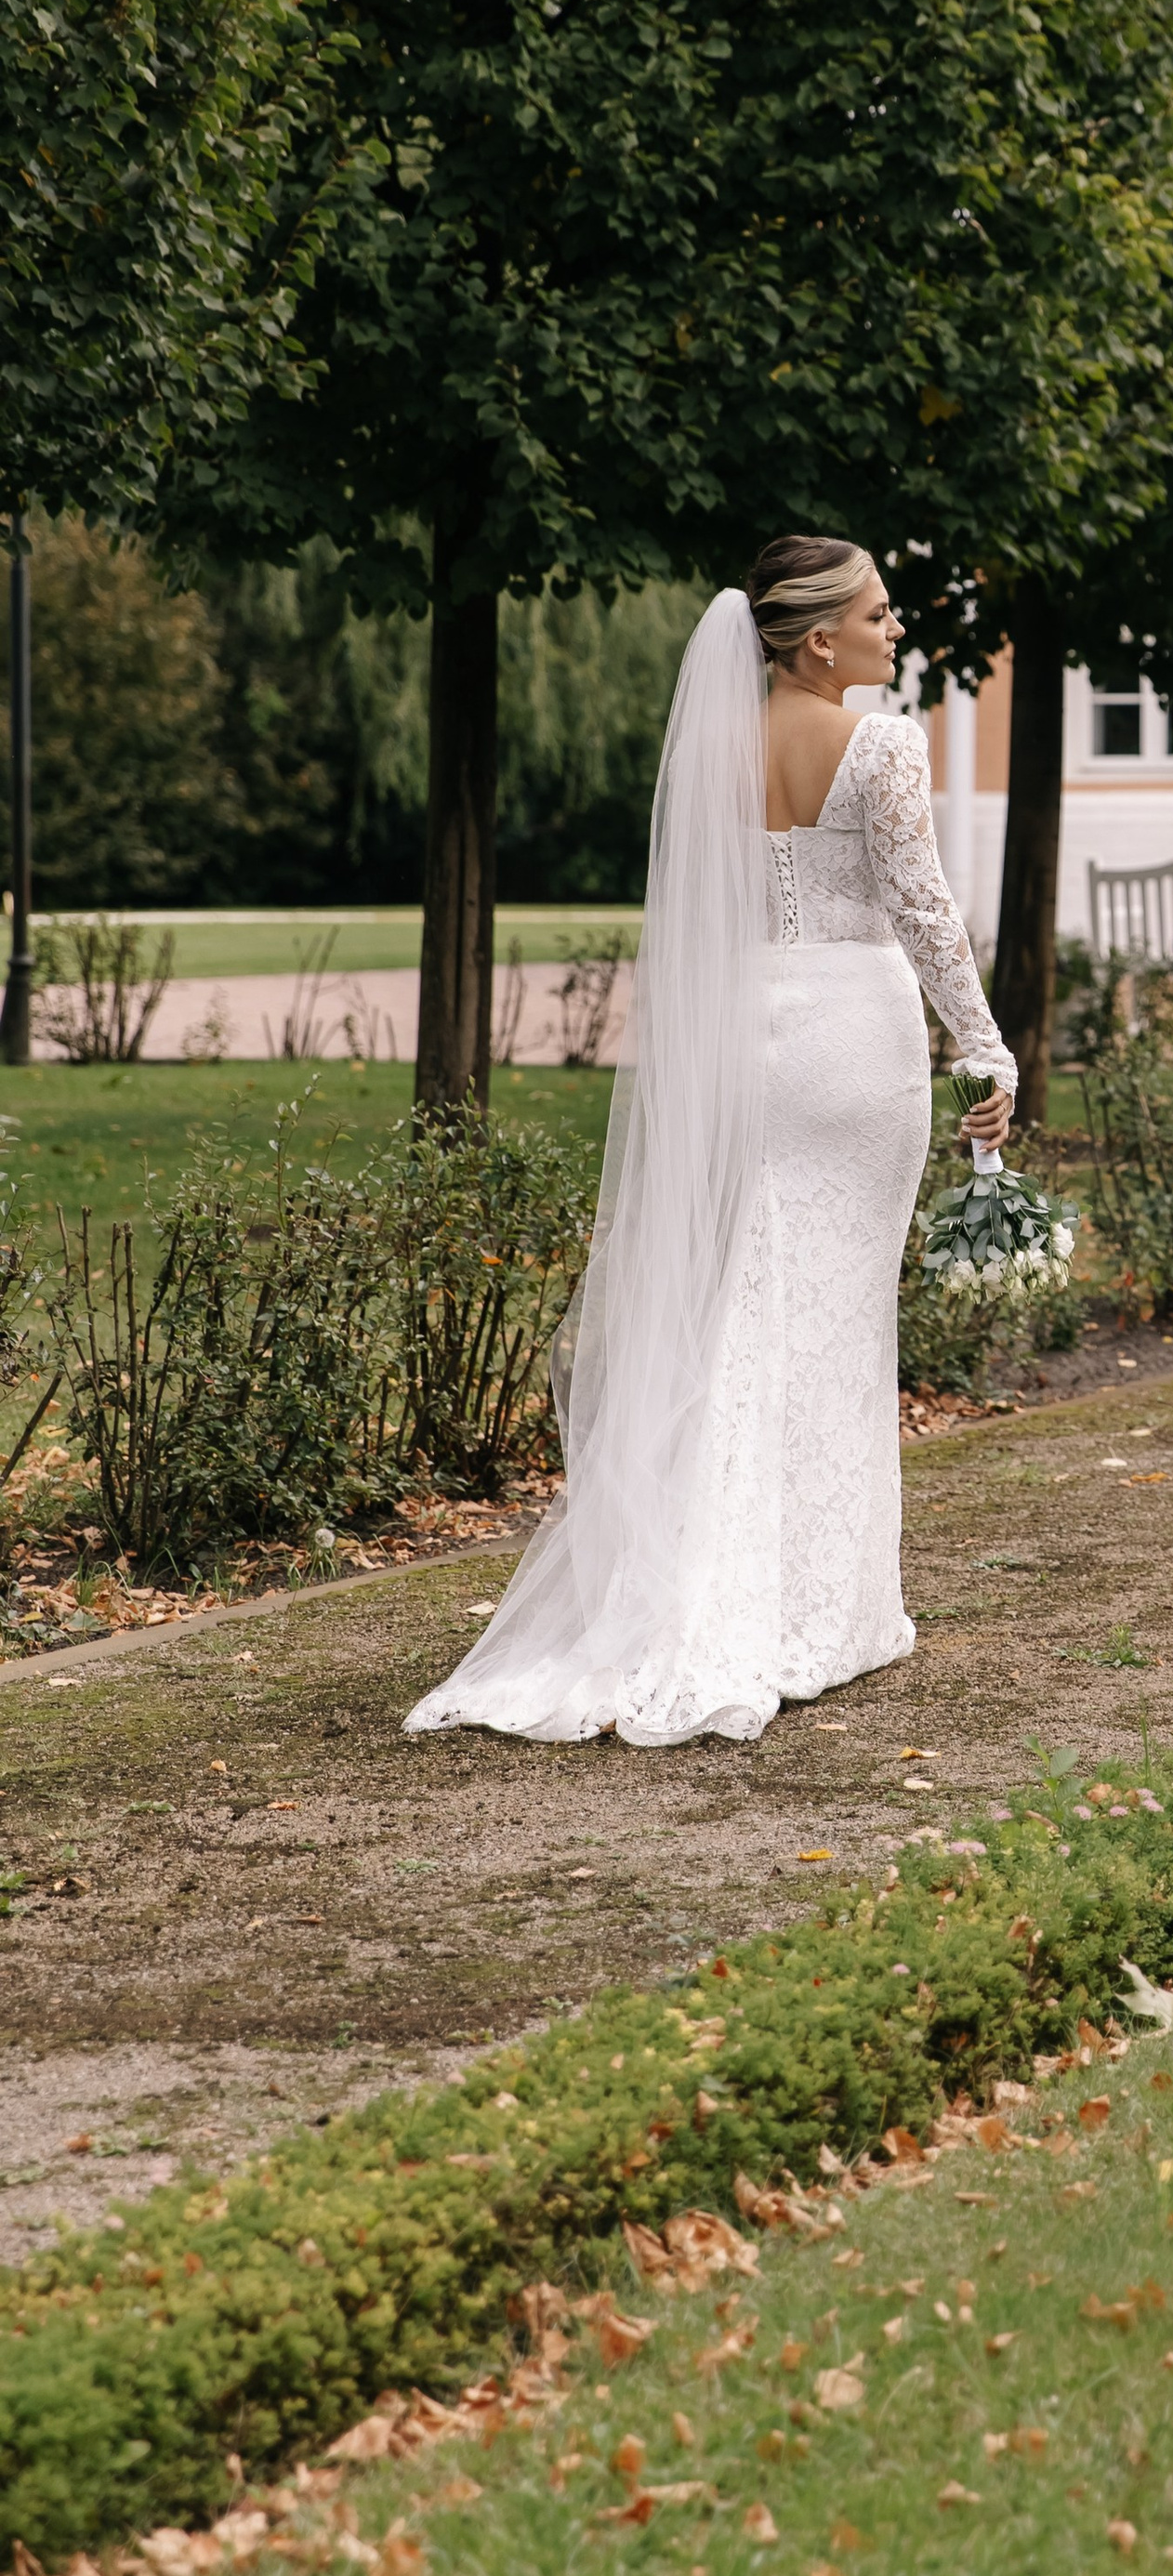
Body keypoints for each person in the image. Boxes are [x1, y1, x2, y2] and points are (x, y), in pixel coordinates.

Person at [406, 539, 1015, 1745]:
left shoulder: (713, 753)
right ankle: (821, 1611)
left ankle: (720, 1587)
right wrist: (984, 1046)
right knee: (836, 1315)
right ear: (816, 638)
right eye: (879, 616)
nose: (898, 634)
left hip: (747, 1036)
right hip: (852, 1040)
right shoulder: (883, 745)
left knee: (748, 1300)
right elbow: (925, 911)